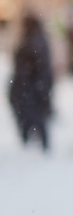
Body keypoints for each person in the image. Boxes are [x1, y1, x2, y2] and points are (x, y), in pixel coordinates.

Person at [8, 13, 54, 152]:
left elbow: (33, 65)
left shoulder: (33, 41)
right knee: (35, 114)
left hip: (30, 86)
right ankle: (36, 142)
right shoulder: (36, 39)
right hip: (33, 86)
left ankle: (34, 143)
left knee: (32, 114)